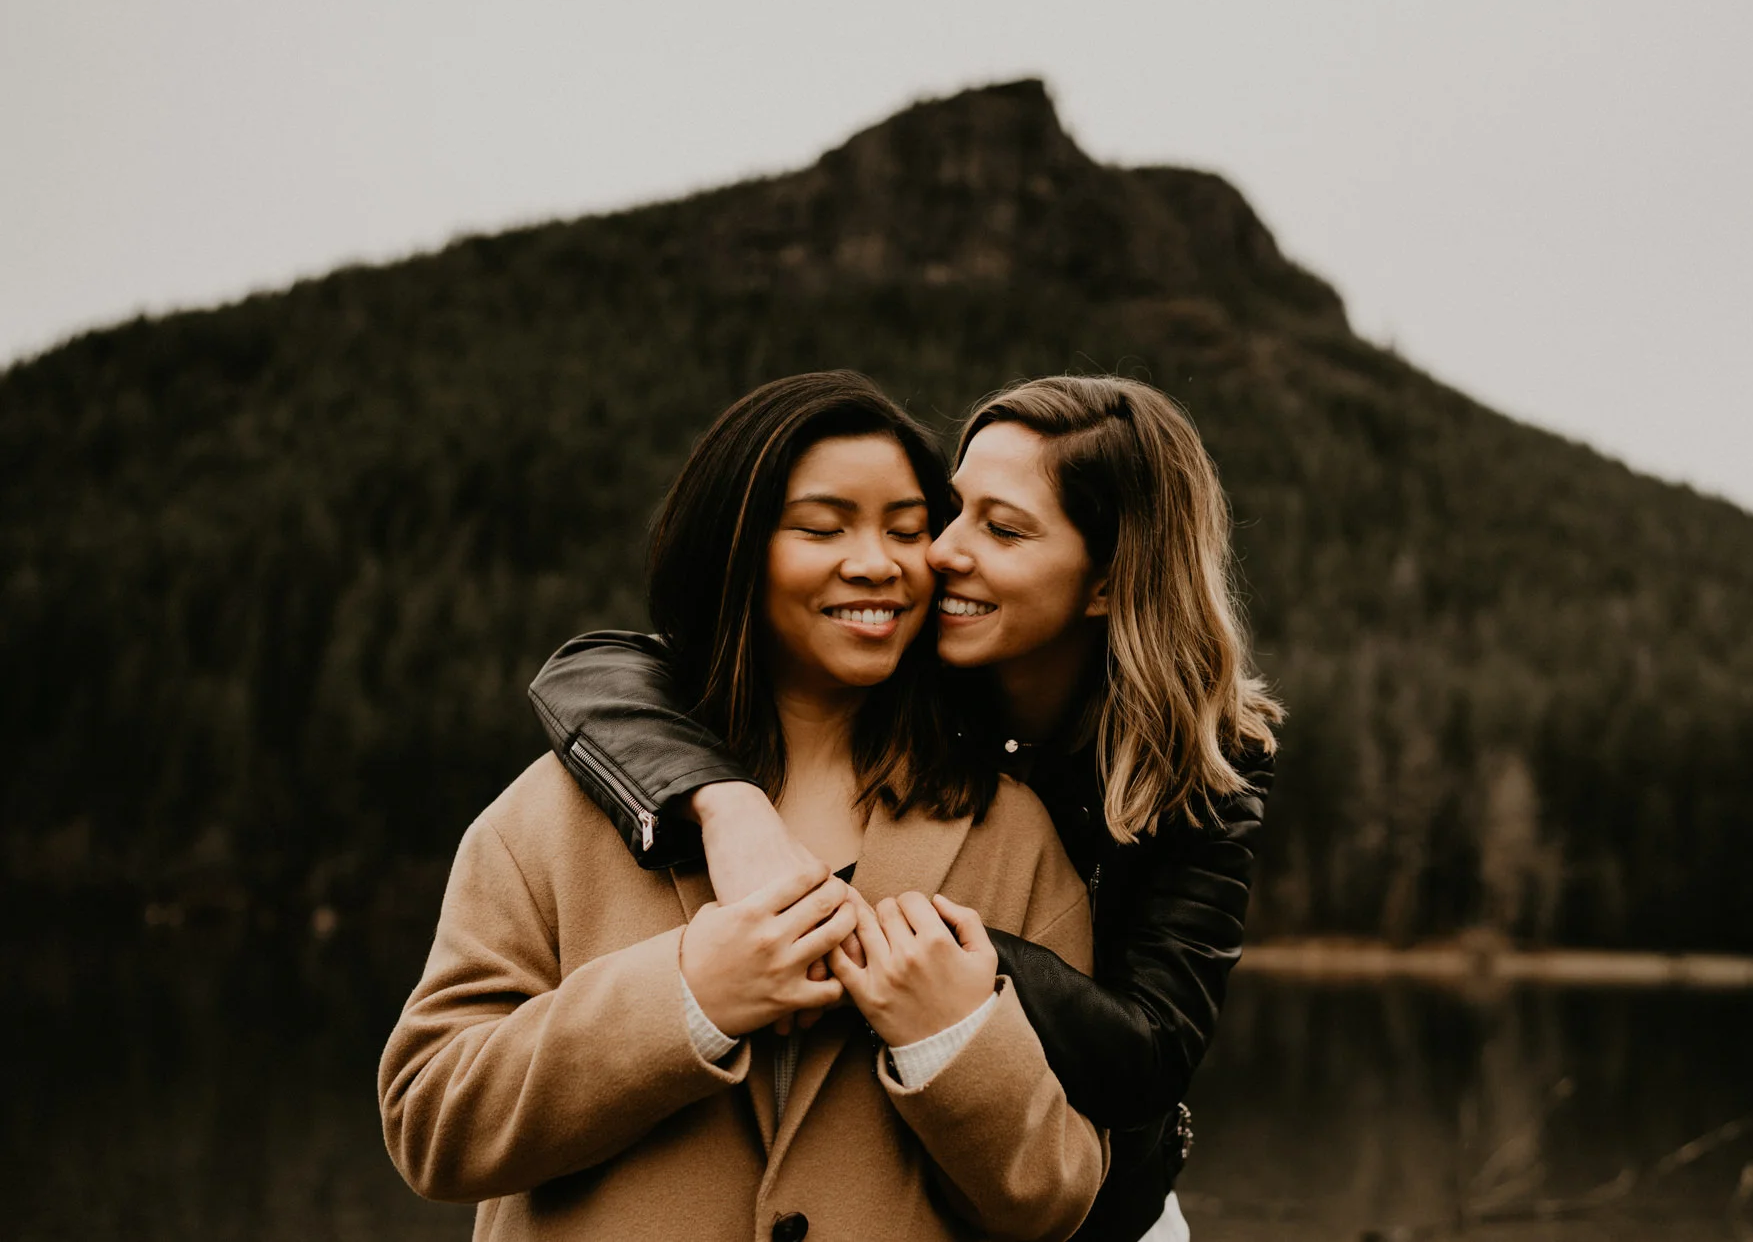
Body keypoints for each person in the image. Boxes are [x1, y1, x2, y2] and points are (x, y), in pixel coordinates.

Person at [530, 375, 1283, 1242]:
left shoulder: (1206, 760)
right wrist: (729, 806)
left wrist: (936, 944)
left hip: (1111, 1216)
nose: (941, 552)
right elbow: (592, 671)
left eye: (1002, 529)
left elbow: (1152, 1053)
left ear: (1109, 583)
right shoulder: (903, 649)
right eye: (950, 511)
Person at [380, 371, 1106, 1241]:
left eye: (907, 530)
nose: (876, 562)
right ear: (734, 549)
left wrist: (950, 1041)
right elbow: (430, 1123)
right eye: (822, 527)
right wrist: (689, 993)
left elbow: (1058, 1198)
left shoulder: (1012, 835)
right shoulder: (553, 812)